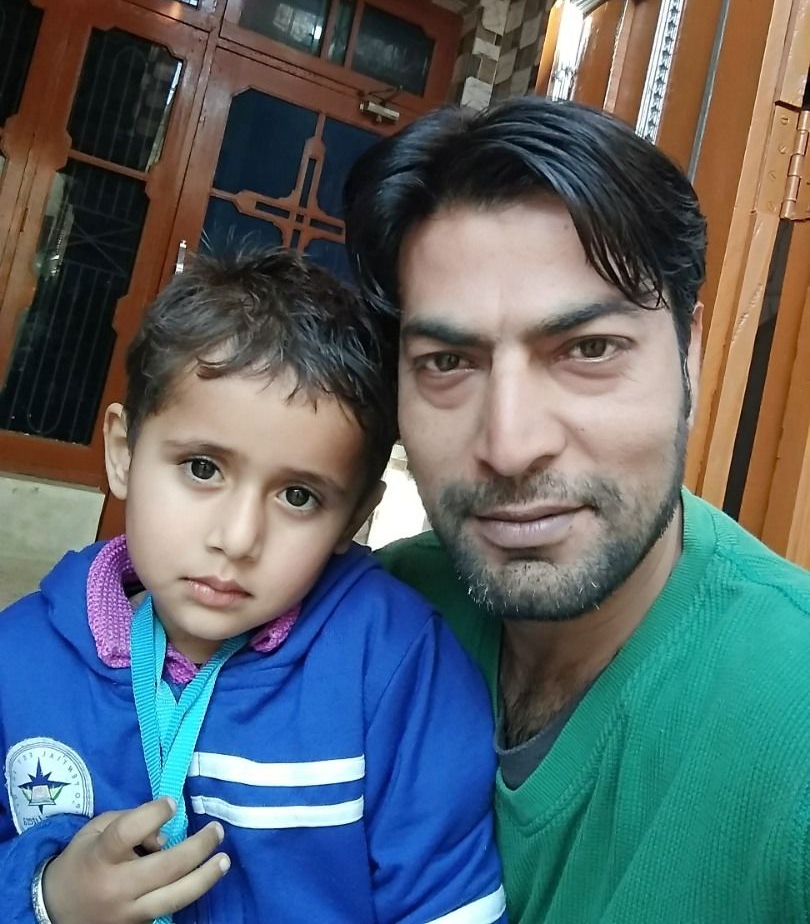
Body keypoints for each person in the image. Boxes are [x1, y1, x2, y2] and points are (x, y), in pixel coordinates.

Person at [344, 96, 810, 924]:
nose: (510, 444)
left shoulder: (790, 715)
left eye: (589, 350)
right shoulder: (363, 622)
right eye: (448, 361)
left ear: (690, 353)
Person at [0, 250, 506, 924]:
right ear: (123, 452)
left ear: (353, 518)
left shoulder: (393, 665)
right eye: (202, 468)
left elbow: (448, 906)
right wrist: (45, 896)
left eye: (298, 496)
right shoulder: (18, 660)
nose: (238, 539)